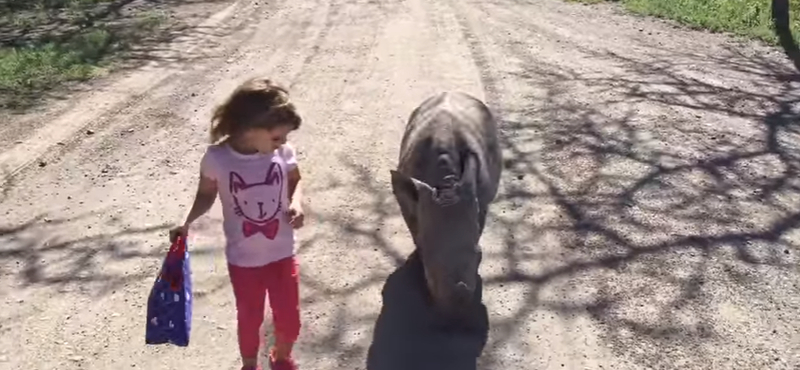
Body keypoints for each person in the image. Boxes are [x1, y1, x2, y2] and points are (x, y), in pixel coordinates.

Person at [169, 77, 305, 370]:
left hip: (282, 253)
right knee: (249, 317)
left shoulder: (283, 153)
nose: (282, 143)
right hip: (243, 260)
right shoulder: (218, 158)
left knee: (290, 319)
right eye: (277, 137)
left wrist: (296, 202)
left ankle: (282, 359)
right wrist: (187, 221)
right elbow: (205, 193)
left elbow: (295, 180)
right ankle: (248, 365)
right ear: (251, 128)